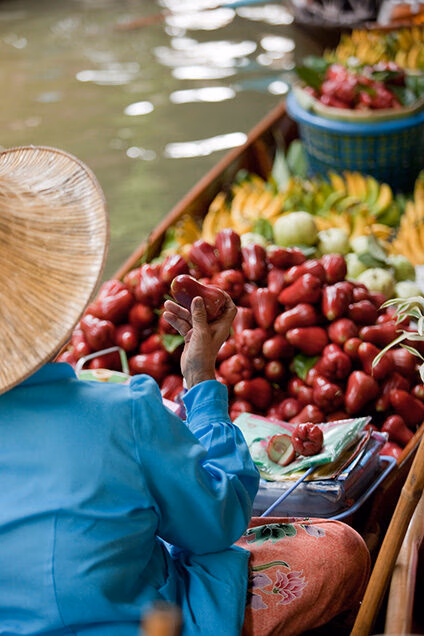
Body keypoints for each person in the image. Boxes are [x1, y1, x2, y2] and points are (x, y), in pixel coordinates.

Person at [0, 145, 370, 636]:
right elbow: (219, 522)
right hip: (153, 625)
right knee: (337, 546)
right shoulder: (119, 410)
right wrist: (201, 380)